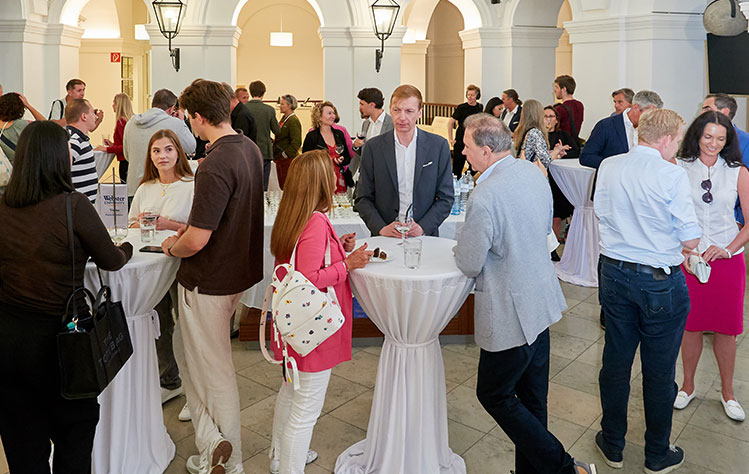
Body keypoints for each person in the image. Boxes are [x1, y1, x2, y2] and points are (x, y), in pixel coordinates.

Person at [454, 113, 596, 474]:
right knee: (533, 400)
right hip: (540, 300)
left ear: (486, 151)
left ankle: (566, 468)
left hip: (511, 311)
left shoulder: (485, 195)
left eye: (468, 148)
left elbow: (470, 263)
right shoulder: (532, 173)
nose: (464, 153)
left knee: (494, 394)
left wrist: (459, 246)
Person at [0, 121, 132, 473]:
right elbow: (111, 260)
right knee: (74, 442)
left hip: (10, 343)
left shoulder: (2, 205)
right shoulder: (73, 206)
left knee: (23, 448)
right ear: (60, 159)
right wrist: (129, 248)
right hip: (66, 343)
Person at [160, 79, 264, 474]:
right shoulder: (249, 149)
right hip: (237, 273)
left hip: (209, 278)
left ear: (199, 117)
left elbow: (198, 240)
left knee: (211, 368)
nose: (191, 125)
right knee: (195, 360)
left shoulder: (216, 161)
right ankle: (212, 443)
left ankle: (228, 457)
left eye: (190, 119)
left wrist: (173, 244)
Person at [595, 109, 701, 474]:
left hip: (613, 272)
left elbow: (602, 213)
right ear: (667, 139)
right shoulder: (671, 174)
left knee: (616, 361)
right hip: (657, 281)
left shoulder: (609, 165)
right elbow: (690, 238)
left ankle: (612, 444)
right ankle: (656, 454)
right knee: (658, 371)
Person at [267, 149, 372, 474]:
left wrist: (340, 247)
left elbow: (303, 261)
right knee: (306, 410)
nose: (335, 176)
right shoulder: (314, 221)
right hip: (314, 328)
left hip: (292, 328)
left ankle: (278, 458)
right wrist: (347, 264)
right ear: (319, 183)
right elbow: (310, 278)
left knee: (291, 392)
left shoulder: (294, 215)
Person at [673, 111, 747, 422]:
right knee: (690, 325)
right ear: (696, 136)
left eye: (720, 138)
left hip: (726, 261)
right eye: (708, 137)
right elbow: (667, 217)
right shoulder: (677, 168)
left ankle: (728, 392)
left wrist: (728, 250)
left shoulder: (739, 172)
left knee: (726, 330)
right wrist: (684, 251)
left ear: (728, 140)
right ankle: (688, 386)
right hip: (689, 259)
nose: (713, 144)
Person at [581, 90, 664, 329]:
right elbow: (587, 156)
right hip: (612, 196)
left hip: (641, 199)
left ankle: (634, 302)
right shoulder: (607, 126)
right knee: (609, 249)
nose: (653, 121)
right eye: (650, 115)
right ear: (637, 108)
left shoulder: (651, 131)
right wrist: (618, 165)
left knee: (635, 248)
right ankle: (607, 307)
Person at [129, 129, 195, 422]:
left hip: (182, 264)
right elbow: (131, 222)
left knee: (188, 328)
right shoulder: (145, 188)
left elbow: (197, 226)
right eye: (156, 151)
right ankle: (170, 381)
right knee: (160, 325)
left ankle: (196, 395)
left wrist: (167, 222)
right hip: (149, 265)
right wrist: (139, 223)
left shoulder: (191, 185)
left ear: (178, 152)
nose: (162, 156)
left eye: (168, 149)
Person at [356, 84, 453, 237]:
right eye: (397, 110)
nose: (402, 117)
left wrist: (422, 227)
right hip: (385, 237)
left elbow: (446, 197)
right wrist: (381, 228)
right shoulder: (373, 148)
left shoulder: (438, 146)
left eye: (409, 111)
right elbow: (363, 198)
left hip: (424, 237)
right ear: (390, 110)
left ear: (419, 113)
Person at [123, 88, 196, 199]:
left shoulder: (131, 123)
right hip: (161, 188)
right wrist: (181, 121)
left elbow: (127, 155)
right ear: (172, 108)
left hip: (134, 187)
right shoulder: (174, 123)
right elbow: (191, 147)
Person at [701, 93, 749, 225]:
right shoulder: (697, 140)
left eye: (707, 109)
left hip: (731, 222)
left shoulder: (746, 142)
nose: (701, 114)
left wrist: (740, 221)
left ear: (725, 112)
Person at [544, 105, 580, 244]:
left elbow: (575, 152)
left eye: (551, 116)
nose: (548, 120)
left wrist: (560, 154)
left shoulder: (563, 135)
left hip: (558, 180)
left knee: (557, 215)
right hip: (544, 178)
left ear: (556, 120)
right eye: (545, 116)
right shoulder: (539, 135)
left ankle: (554, 245)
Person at [302, 101, 352, 194]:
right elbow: (305, 161)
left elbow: (347, 158)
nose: (333, 116)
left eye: (333, 113)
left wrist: (342, 160)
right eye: (329, 113)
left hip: (339, 179)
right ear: (319, 117)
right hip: (320, 180)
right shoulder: (312, 136)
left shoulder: (339, 134)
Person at [513, 99, 570, 170]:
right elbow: (545, 160)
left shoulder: (523, 131)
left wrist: (556, 154)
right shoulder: (535, 133)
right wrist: (557, 150)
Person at [245, 80, 281, 190]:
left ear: (250, 92)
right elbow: (277, 131)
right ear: (263, 93)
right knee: (263, 186)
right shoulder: (269, 110)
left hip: (248, 151)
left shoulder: (244, 108)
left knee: (249, 184)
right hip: (265, 151)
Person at [352, 87, 393, 177]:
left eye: (362, 104)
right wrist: (357, 146)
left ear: (372, 105)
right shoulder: (366, 124)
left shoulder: (392, 124)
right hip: (367, 175)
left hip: (384, 176)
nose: (360, 107)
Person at [66, 98, 101, 203]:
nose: (95, 117)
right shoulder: (74, 141)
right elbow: (61, 169)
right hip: (77, 207)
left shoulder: (78, 139)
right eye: (93, 113)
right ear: (84, 116)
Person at [94, 93, 133, 183]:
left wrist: (105, 148)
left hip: (125, 162)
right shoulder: (130, 121)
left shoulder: (121, 122)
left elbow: (125, 147)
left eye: (114, 103)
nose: (112, 105)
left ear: (119, 105)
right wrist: (112, 144)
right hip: (130, 161)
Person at [448, 84, 483, 176]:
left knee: (475, 165)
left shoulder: (480, 107)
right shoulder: (461, 107)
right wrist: (451, 139)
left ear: (477, 96)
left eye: (472, 95)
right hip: (460, 141)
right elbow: (450, 122)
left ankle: (466, 179)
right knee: (457, 168)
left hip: (473, 141)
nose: (469, 97)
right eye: (468, 95)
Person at [0, 92, 45, 162]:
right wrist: (28, 105)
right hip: (21, 169)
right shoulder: (24, 125)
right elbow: (46, 125)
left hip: (3, 170)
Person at [273, 94, 302, 189]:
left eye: (282, 104)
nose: (280, 106)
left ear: (289, 105)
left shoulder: (293, 121)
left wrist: (285, 155)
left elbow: (296, 142)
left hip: (287, 160)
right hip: (280, 159)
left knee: (286, 185)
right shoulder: (284, 119)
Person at [553, 75, 584, 141]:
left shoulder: (559, 109)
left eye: (556, 87)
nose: (554, 90)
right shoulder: (580, 105)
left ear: (564, 89)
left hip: (561, 146)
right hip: (574, 144)